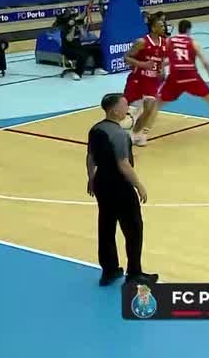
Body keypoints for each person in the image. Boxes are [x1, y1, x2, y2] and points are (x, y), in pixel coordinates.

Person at [87, 93, 157, 287]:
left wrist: (91, 177)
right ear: (115, 110)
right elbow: (123, 164)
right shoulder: (118, 134)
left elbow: (91, 156)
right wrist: (139, 185)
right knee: (133, 229)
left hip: (102, 183)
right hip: (120, 186)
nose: (128, 108)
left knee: (106, 226)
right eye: (125, 105)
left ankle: (109, 271)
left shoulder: (96, 129)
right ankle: (134, 274)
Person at [123, 14, 167, 146]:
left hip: (152, 81)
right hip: (137, 79)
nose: (164, 28)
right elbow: (126, 58)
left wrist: (161, 71)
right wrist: (142, 65)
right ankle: (115, 129)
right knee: (123, 108)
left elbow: (160, 61)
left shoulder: (164, 43)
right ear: (153, 28)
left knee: (149, 109)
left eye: (163, 25)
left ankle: (135, 134)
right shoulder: (141, 42)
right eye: (160, 26)